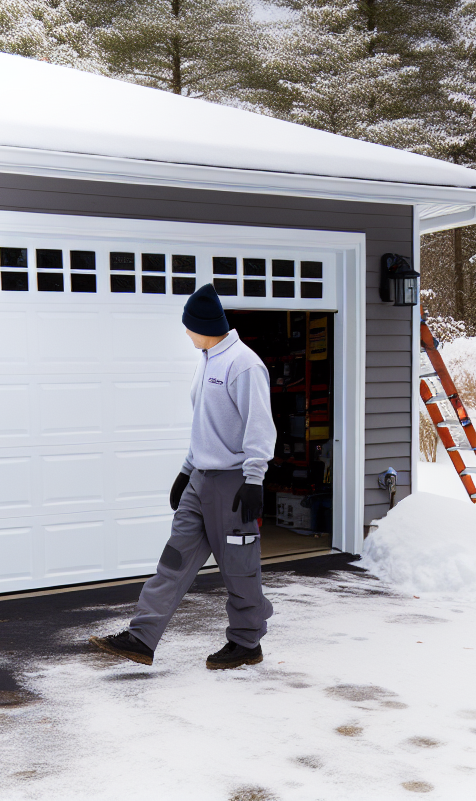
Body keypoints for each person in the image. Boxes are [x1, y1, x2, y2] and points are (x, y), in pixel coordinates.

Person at [90, 284, 275, 669]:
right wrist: (186, 470)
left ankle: (246, 642)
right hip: (201, 479)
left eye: (188, 326)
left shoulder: (244, 364)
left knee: (239, 566)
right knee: (174, 559)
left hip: (233, 483)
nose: (186, 333)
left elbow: (260, 428)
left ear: (203, 324)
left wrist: (254, 478)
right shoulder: (207, 358)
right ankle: (141, 637)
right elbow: (203, 425)